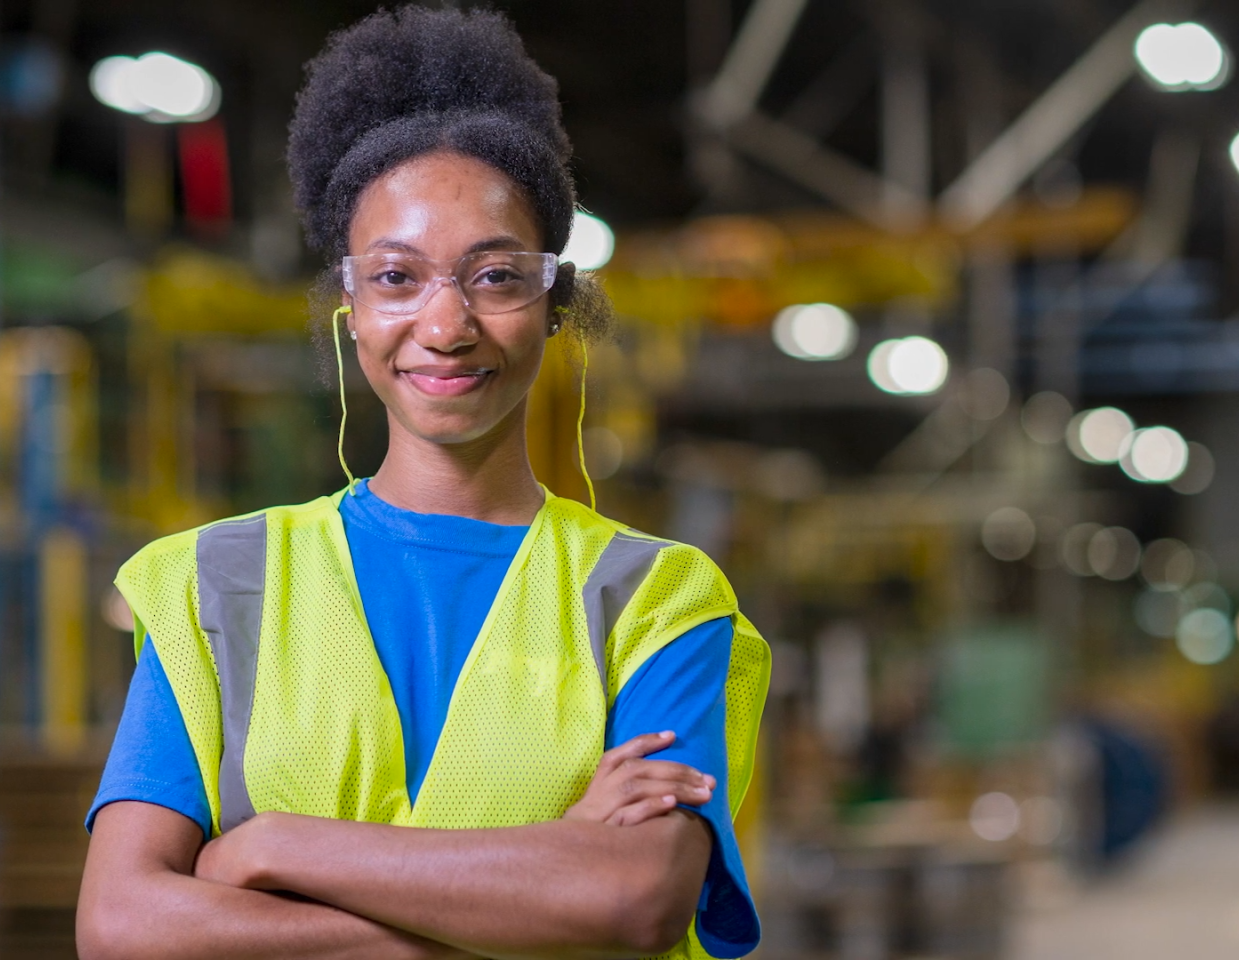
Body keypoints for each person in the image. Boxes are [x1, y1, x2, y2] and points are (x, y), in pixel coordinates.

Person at [76, 8, 769, 960]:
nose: (445, 325)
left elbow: (633, 901)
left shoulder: (653, 601)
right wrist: (537, 882)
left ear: (553, 305)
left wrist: (272, 849)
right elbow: (122, 925)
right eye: (398, 277)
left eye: (494, 277)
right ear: (350, 306)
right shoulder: (217, 586)